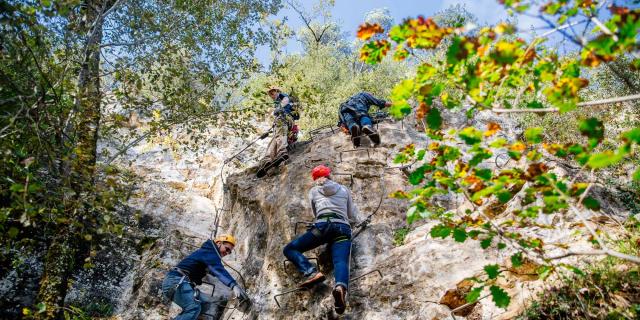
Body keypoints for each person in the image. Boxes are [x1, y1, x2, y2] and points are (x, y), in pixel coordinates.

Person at [282, 165, 359, 315]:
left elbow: (315, 213)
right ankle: (340, 288)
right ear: (330, 175)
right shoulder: (343, 189)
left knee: (290, 249)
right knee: (340, 261)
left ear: (315, 179)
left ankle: (311, 272)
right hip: (343, 227)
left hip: (322, 227)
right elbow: (351, 213)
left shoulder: (314, 191)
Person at [161, 234, 250, 320]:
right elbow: (218, 271)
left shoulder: (209, 253)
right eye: (227, 249)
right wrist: (233, 285)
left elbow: (215, 270)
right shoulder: (209, 252)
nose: (227, 253)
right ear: (219, 243)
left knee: (207, 303)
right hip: (176, 281)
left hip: (178, 282)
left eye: (229, 252)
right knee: (193, 308)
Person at [257, 86, 299, 178]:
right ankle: (267, 160)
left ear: (276, 91)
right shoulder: (279, 101)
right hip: (282, 122)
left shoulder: (284, 97)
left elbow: (281, 108)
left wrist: (274, 111)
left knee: (279, 136)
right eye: (270, 94)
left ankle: (282, 152)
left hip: (283, 119)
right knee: (273, 142)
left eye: (272, 93)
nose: (271, 96)